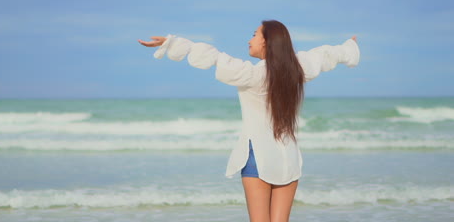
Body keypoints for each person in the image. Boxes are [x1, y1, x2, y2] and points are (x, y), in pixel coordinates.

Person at [138, 20, 360, 222]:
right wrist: (348, 48)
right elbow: (323, 55)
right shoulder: (297, 70)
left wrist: (172, 43)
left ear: (267, 42)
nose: (249, 39)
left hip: (259, 157)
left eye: (255, 35)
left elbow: (215, 58)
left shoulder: (251, 75)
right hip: (289, 158)